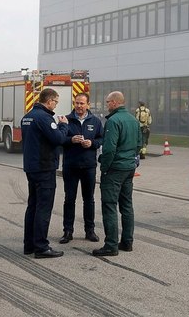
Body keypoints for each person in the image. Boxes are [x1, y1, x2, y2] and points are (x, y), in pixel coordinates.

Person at [21, 88, 69, 259]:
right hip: (44, 167)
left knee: (32, 206)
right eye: (56, 102)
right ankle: (41, 247)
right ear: (49, 101)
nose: (56, 105)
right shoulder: (45, 118)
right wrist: (63, 125)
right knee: (43, 208)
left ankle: (29, 245)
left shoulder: (27, 117)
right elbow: (58, 139)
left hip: (31, 167)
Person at [92, 91, 141, 257]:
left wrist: (104, 166)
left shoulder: (113, 121)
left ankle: (111, 244)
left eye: (107, 102)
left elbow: (109, 148)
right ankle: (127, 242)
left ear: (114, 102)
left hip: (115, 169)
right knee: (126, 205)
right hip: (129, 168)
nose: (106, 105)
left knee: (109, 205)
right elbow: (139, 144)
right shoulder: (134, 120)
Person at [60, 92, 104, 245]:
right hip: (70, 166)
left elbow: (101, 138)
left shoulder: (96, 121)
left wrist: (92, 143)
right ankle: (67, 231)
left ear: (88, 105)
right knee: (69, 199)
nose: (79, 106)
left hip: (88, 166)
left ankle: (89, 230)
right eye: (77, 103)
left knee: (89, 200)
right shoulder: (66, 120)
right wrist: (70, 140)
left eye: (82, 103)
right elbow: (59, 139)